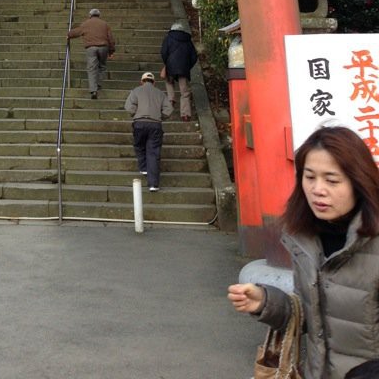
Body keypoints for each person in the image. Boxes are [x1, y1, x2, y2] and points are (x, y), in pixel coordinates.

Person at [228, 125, 379, 379]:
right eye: (310, 177)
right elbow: (313, 316)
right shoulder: (304, 237)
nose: (318, 189)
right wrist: (267, 302)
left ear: (359, 181)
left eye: (332, 180)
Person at [124, 71, 172, 191]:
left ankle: (144, 168)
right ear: (154, 82)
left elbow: (129, 107)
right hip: (155, 124)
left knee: (139, 146)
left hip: (139, 123)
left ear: (142, 81)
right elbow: (168, 109)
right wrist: (160, 116)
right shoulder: (160, 93)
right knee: (153, 153)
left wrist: (135, 113)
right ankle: (153, 184)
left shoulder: (136, 91)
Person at [67, 7, 115, 99]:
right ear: (99, 15)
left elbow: (77, 32)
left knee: (92, 68)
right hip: (103, 48)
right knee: (102, 67)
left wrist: (68, 35)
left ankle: (93, 90)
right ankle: (99, 84)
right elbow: (111, 39)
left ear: (90, 15)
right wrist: (111, 51)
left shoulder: (86, 23)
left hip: (91, 48)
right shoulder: (105, 24)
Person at [160, 21, 198, 121]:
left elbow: (163, 52)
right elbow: (194, 56)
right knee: (184, 92)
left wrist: (167, 62)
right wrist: (188, 66)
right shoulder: (188, 40)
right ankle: (185, 114)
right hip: (184, 68)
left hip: (171, 66)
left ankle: (171, 99)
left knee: (169, 82)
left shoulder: (168, 38)